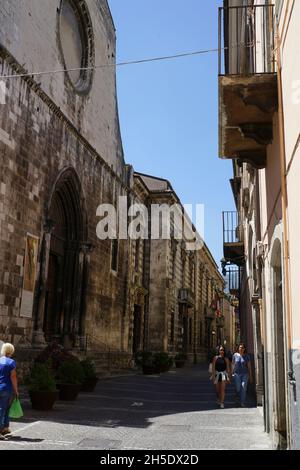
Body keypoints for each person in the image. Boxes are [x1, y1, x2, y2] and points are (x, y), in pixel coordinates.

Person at [0, 343, 19, 438]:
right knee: (2, 409)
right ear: (11, 351)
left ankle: (5, 428)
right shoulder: (11, 362)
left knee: (5, 408)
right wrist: (16, 390)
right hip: (7, 388)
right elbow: (13, 376)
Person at [231, 343, 253, 407]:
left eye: (242, 348)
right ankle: (237, 396)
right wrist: (231, 374)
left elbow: (249, 367)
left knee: (243, 387)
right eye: (240, 347)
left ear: (244, 349)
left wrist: (251, 376)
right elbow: (233, 365)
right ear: (238, 348)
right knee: (238, 388)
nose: (241, 349)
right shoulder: (235, 355)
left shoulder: (247, 356)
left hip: (245, 374)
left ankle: (242, 402)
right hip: (237, 374)